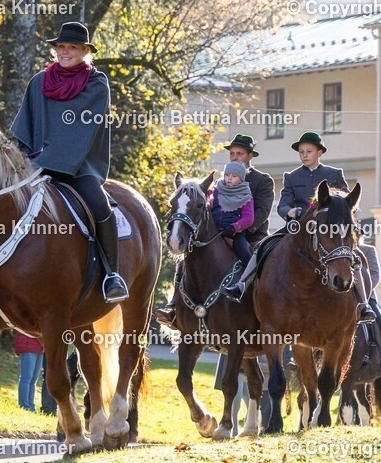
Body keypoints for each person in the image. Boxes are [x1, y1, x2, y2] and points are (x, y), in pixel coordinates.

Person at [11, 22, 128, 302]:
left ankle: (112, 274)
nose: (64, 52)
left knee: (100, 205)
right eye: (60, 47)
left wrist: (46, 161)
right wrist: (17, 159)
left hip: (80, 167)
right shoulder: (39, 82)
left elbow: (83, 132)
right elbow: (24, 127)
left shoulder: (97, 84)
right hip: (35, 166)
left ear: (85, 51)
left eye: (72, 47)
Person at [222, 131, 373, 322]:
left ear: (319, 153)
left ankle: (365, 304)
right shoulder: (291, 176)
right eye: (301, 152)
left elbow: (346, 203)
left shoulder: (335, 174)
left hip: (329, 227)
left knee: (355, 256)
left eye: (309, 151)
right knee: (263, 246)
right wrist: (288, 212)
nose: (304, 155)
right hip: (298, 227)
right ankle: (242, 285)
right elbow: (284, 203)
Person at [157, 134, 274, 327]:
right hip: (217, 235)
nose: (235, 157)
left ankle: (265, 305)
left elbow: (262, 211)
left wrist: (238, 229)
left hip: (250, 235)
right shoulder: (222, 181)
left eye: (240, 153)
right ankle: (174, 308)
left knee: (257, 262)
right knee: (187, 258)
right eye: (232, 153)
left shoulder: (262, 180)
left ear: (250, 156)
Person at [209, 162, 254, 266]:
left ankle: (252, 279)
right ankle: (180, 277)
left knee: (245, 254)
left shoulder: (246, 196)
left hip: (234, 234)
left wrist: (234, 228)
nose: (229, 178)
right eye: (227, 175)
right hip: (213, 233)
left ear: (241, 179)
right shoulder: (215, 191)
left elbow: (249, 218)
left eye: (234, 176)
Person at [14, 331, 44, 411]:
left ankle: (31, 406)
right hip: (28, 346)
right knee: (26, 379)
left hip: (39, 348)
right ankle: (24, 406)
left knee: (33, 380)